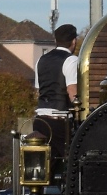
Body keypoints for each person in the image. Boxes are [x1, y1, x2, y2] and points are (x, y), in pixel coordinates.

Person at [35, 24, 81, 158]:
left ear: (56, 41)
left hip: (40, 121)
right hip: (60, 122)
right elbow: (72, 90)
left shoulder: (41, 60)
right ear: (74, 41)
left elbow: (39, 90)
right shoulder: (71, 60)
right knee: (73, 160)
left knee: (47, 165)